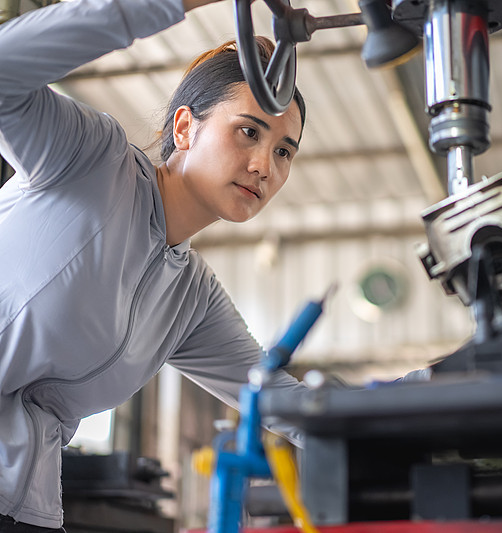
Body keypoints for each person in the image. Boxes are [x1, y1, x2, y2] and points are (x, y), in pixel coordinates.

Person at [0, 0, 308, 530]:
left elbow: (285, 402)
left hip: (26, 506)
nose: (264, 166)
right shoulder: (90, 160)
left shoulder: (191, 298)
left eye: (284, 152)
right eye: (249, 131)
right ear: (185, 127)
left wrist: (437, 391)